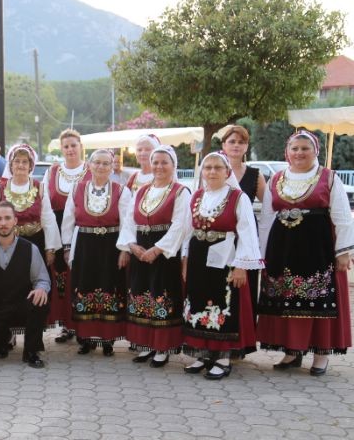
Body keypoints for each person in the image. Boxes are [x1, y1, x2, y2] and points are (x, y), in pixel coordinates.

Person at [257, 130, 353, 376]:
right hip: (282, 248)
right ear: (287, 152)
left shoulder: (328, 178)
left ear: (315, 151)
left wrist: (343, 251)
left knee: (319, 300)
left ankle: (321, 355)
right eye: (295, 148)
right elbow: (266, 218)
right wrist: (261, 253)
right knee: (286, 299)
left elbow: (342, 216)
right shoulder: (276, 179)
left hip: (318, 248)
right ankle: (292, 351)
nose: (299, 153)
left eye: (304, 148)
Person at [181, 152, 262, 379]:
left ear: (227, 172)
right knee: (198, 302)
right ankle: (202, 354)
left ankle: (223, 358)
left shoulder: (238, 197)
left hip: (226, 259)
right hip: (198, 258)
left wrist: (241, 266)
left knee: (223, 303)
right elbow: (187, 230)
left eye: (218, 167)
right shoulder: (197, 196)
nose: (212, 172)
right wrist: (185, 260)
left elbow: (247, 232)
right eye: (207, 168)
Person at [117, 144, 191, 368]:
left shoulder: (180, 191)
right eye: (155, 162)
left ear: (173, 165)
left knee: (161, 294)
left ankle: (162, 347)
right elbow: (129, 220)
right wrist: (131, 245)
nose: (159, 166)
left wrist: (157, 249)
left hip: (164, 253)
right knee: (141, 293)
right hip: (140, 250)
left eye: (164, 162)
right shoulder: (142, 190)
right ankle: (145, 344)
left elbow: (180, 225)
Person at [61, 149, 132, 356]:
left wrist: (125, 249)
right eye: (97, 162)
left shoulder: (121, 191)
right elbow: (68, 219)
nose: (101, 166)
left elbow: (127, 223)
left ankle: (108, 340)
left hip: (111, 246)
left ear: (112, 167)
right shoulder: (76, 188)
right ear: (89, 165)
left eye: (105, 163)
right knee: (84, 286)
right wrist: (67, 247)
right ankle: (85, 339)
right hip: (84, 244)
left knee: (110, 286)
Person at [0, 201, 51, 368]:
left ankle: (31, 351)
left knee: (41, 302)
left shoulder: (30, 249)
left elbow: (42, 279)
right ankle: (2, 340)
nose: (3, 223)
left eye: (7, 218)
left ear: (15, 221)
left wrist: (41, 289)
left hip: (21, 307)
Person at [43, 129, 90, 343]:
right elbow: (45, 203)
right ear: (61, 149)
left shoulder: (91, 170)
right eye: (66, 146)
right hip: (57, 229)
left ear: (81, 147)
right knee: (61, 278)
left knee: (82, 277)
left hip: (83, 232)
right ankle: (66, 325)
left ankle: (83, 325)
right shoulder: (52, 171)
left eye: (73, 145)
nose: (70, 149)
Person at [0, 144, 61, 268]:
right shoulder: (0, 189)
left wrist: (50, 248)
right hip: (7, 245)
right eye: (17, 161)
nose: (20, 165)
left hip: (36, 244)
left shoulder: (40, 188)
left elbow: (48, 218)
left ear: (30, 166)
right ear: (11, 165)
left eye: (25, 162)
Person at [220, 125, 265, 318]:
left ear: (246, 147)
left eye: (241, 142)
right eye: (232, 141)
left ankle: (244, 326)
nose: (236, 145)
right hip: (220, 232)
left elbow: (269, 206)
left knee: (245, 283)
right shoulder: (214, 169)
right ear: (224, 145)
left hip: (246, 233)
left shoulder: (255, 174)